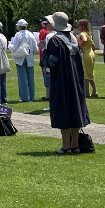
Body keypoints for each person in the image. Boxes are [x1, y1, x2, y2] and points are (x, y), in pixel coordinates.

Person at [42, 11, 90, 154]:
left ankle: (65, 146)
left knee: (63, 108)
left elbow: (52, 61)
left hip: (62, 79)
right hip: (75, 79)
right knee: (74, 107)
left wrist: (44, 55)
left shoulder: (55, 40)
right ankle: (75, 145)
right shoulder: (74, 38)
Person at [9, 19, 37, 103]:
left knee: (22, 78)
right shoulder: (31, 35)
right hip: (30, 57)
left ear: (20, 26)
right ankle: (31, 97)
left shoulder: (18, 34)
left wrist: (9, 44)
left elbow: (14, 47)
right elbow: (35, 48)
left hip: (20, 57)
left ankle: (25, 97)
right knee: (30, 78)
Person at [76, 19, 97, 98]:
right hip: (91, 53)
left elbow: (84, 40)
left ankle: (86, 92)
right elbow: (93, 46)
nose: (77, 27)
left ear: (83, 26)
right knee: (91, 73)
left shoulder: (82, 34)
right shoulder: (89, 34)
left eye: (79, 25)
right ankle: (94, 91)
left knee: (85, 74)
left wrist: (79, 46)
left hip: (85, 54)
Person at [37, 17, 53, 100]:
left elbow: (41, 43)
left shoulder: (43, 31)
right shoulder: (52, 32)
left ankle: (48, 95)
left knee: (46, 76)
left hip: (44, 56)